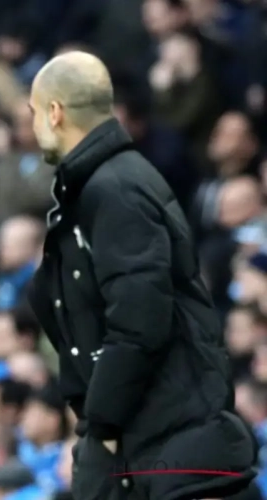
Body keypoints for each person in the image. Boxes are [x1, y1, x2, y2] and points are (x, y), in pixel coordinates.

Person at [26, 51, 258, 500]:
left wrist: (102, 425)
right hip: (147, 445)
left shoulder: (115, 189)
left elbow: (139, 321)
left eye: (34, 113)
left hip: (173, 449)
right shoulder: (95, 188)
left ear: (55, 113)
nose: (33, 126)